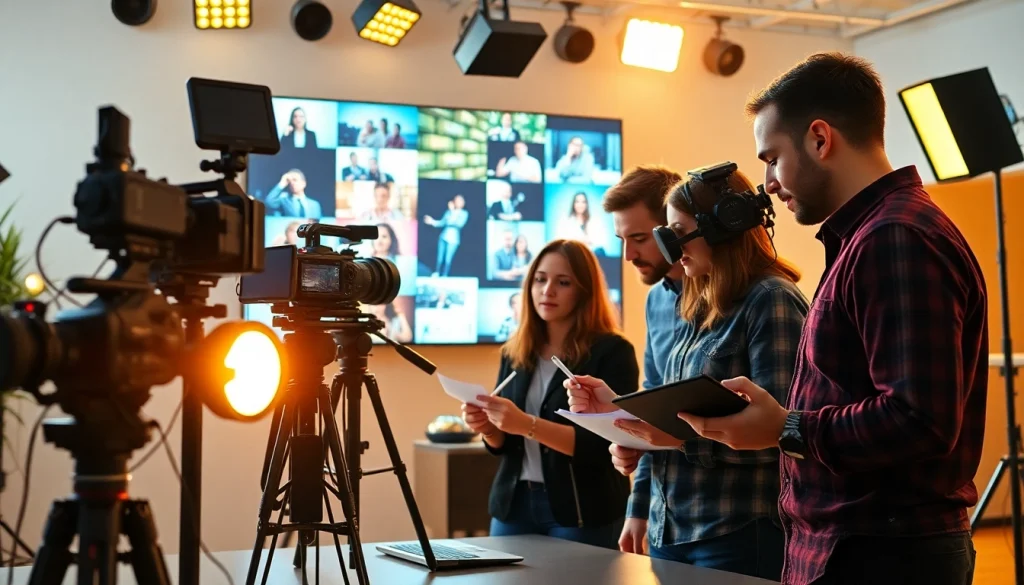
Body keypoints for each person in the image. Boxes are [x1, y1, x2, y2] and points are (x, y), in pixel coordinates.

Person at [678, 52, 988, 585]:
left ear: (820, 139)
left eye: (772, 158)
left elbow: (919, 420)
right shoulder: (874, 236)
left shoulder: (895, 238)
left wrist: (786, 427)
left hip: (881, 553)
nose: (768, 183)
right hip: (856, 546)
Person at [566, 165, 808, 580]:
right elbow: (663, 404)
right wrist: (627, 428)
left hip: (738, 528)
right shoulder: (685, 299)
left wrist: (674, 440)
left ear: (719, 228)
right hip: (672, 526)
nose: (671, 248)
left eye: (672, 232)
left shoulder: (770, 299)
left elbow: (786, 435)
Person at [461, 239, 639, 549]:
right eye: (540, 279)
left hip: (583, 509)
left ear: (584, 290)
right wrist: (488, 427)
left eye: (563, 282)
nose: (548, 290)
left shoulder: (612, 352)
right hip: (513, 505)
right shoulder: (514, 351)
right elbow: (505, 445)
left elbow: (603, 445)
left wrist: (526, 424)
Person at [423, 195, 468, 277]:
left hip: (453, 239)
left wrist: (452, 211)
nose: (457, 202)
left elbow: (458, 224)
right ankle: (437, 272)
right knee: (439, 257)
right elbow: (442, 223)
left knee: (448, 259)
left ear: (463, 203)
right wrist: (432, 221)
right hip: (443, 236)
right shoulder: (448, 212)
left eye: (459, 200)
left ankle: (444, 274)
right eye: (456, 200)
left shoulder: (464, 213)